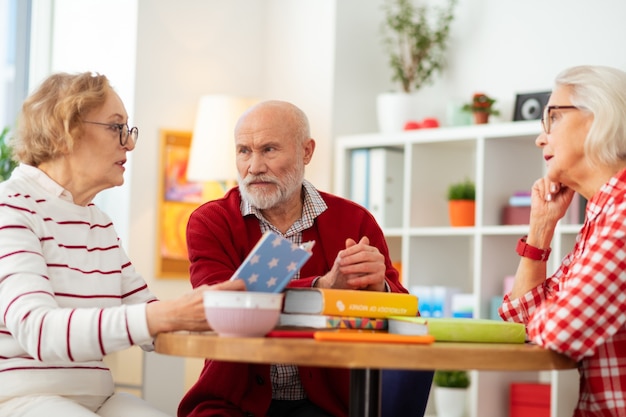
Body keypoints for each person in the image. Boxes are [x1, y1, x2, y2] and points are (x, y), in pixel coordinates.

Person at [0, 72, 245, 417]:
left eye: (128, 129)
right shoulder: (11, 207)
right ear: (66, 130)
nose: (129, 144)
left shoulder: (96, 220)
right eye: (117, 127)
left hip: (98, 400)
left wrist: (228, 310)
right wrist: (163, 315)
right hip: (21, 400)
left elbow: (148, 315)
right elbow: (39, 331)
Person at [178, 100, 432, 417]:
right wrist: (321, 288)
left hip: (330, 405)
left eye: (269, 149)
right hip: (233, 401)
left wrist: (378, 286)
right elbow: (217, 306)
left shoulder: (356, 221)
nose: (254, 166)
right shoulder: (210, 222)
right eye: (244, 151)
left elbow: (406, 315)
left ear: (306, 152)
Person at [499, 65, 626, 416]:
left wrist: (556, 313)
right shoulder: (602, 217)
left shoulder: (623, 214)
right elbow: (520, 326)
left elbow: (561, 331)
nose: (541, 138)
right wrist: (540, 228)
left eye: (553, 118)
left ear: (598, 117)